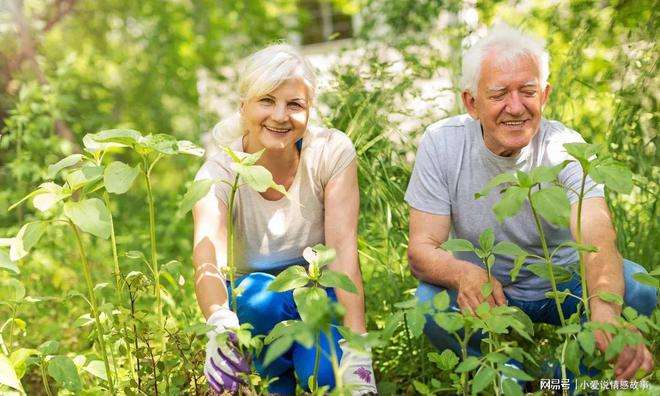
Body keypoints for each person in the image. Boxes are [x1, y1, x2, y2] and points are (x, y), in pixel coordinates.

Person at [405, 25, 656, 382]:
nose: (516, 107)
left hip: (565, 284)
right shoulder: (441, 143)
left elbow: (598, 234)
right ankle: (507, 379)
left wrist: (604, 306)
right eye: (498, 94)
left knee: (639, 287)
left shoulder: (567, 148)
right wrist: (465, 273)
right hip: (490, 290)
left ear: (545, 95)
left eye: (528, 91)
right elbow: (421, 249)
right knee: (430, 303)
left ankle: (570, 382)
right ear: (471, 102)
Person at [192, 44, 377, 395]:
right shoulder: (217, 172)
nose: (280, 116)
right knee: (261, 299)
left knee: (329, 378)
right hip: (254, 304)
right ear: (242, 106)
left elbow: (343, 252)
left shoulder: (331, 152)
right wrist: (217, 320)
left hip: (318, 292)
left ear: (309, 111)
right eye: (266, 101)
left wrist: (358, 347)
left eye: (294, 104)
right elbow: (208, 260)